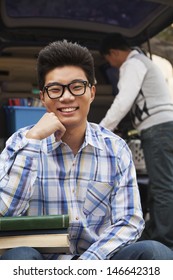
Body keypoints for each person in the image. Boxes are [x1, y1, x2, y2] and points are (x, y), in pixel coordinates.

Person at [0, 40, 173, 260]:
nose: (66, 97)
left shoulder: (115, 148)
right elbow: (4, 214)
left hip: (99, 261)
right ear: (42, 97)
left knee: (156, 252)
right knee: (19, 257)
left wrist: (86, 264)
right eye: (55, 89)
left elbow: (129, 220)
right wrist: (33, 141)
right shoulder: (20, 142)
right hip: (41, 264)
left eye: (76, 87)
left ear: (91, 92)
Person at [99, 33, 173, 249]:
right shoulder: (144, 62)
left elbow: (123, 101)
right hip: (163, 128)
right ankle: (153, 231)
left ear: (113, 53)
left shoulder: (132, 64)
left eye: (108, 60)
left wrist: (101, 130)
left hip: (158, 130)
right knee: (161, 185)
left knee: (163, 187)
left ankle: (164, 241)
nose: (111, 65)